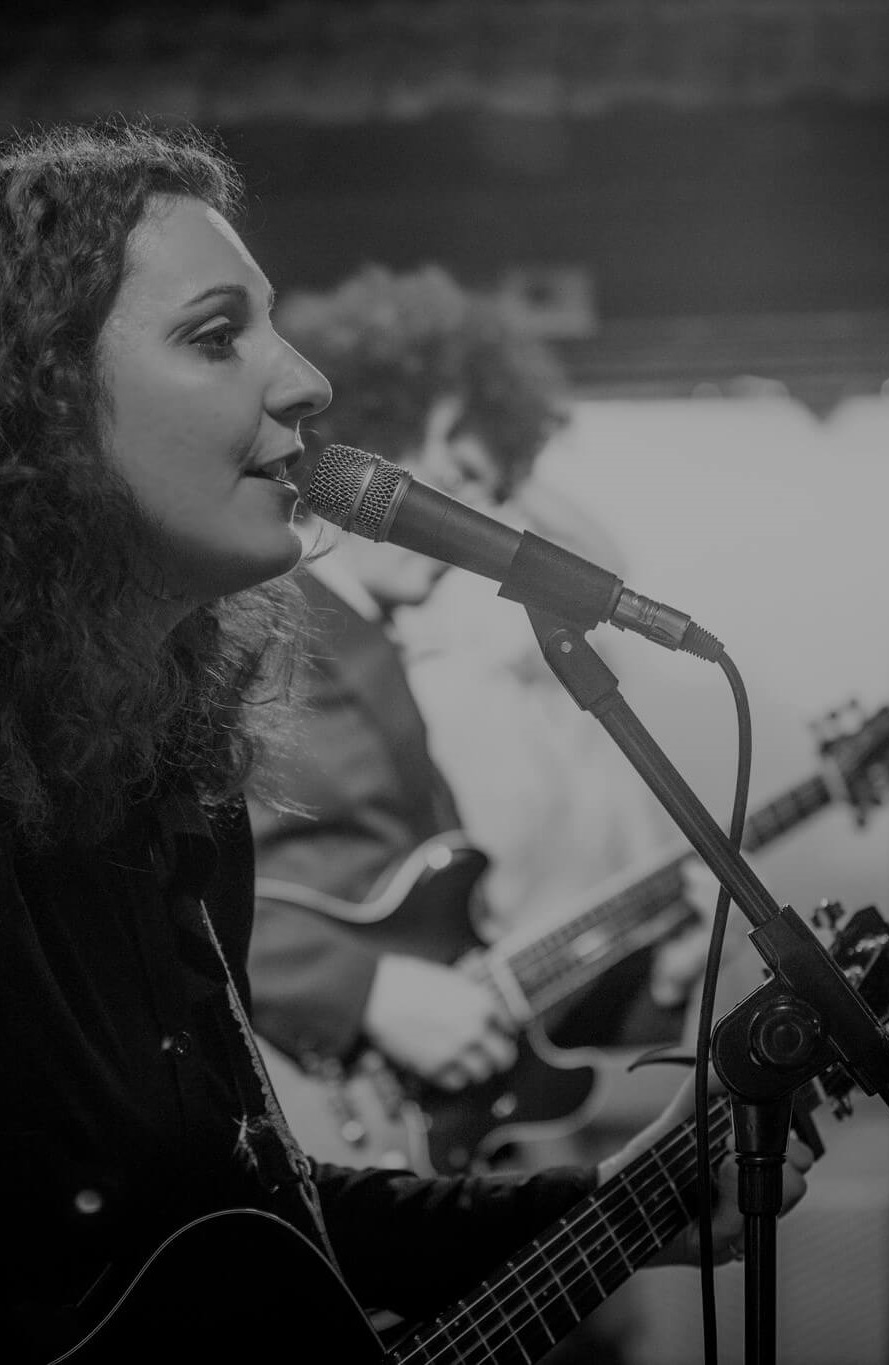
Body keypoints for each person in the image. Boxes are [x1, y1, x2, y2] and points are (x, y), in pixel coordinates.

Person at [0, 123, 808, 1363]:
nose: (303, 381)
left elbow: (250, 1224)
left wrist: (625, 1207)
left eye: (272, 327)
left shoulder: (163, 800)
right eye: (215, 333)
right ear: (31, 412)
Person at [246, 266, 722, 1172]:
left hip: (405, 1124)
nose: (479, 517)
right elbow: (181, 887)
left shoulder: (371, 645)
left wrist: (646, 986)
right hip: (296, 1097)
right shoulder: (270, 623)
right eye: (464, 475)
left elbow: (450, 946)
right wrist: (363, 990)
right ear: (376, 446)